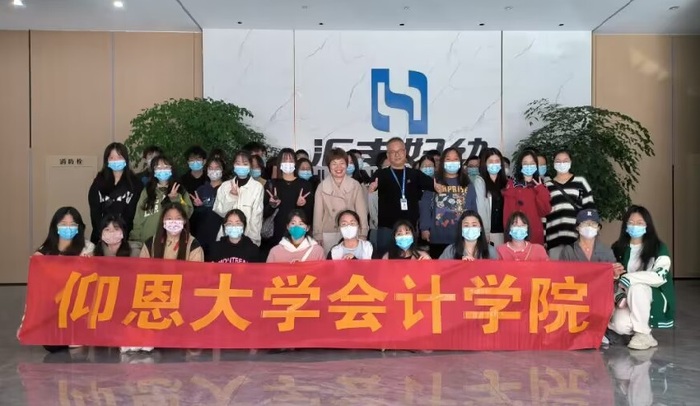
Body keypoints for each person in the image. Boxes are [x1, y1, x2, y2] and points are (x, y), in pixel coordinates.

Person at [28, 206, 94, 352]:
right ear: (55, 227)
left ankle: (77, 331)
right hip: (53, 306)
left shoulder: (88, 248)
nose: (68, 228)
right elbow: (36, 290)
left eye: (72, 224)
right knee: (52, 345)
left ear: (79, 227)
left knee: (75, 345)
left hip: (78, 306)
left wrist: (89, 264)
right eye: (63, 224)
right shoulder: (44, 252)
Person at [609, 205, 675, 351]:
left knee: (637, 287)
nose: (635, 226)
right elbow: (613, 276)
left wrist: (630, 278)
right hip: (625, 296)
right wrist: (615, 277)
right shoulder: (618, 247)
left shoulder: (658, 248)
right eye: (631, 223)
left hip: (651, 295)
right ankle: (645, 332)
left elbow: (659, 276)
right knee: (620, 326)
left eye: (640, 223)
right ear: (625, 225)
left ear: (647, 225)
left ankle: (642, 334)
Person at [368, 137, 444, 258]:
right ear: (388, 155)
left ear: (405, 152)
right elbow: (372, 185)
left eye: (399, 151)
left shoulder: (415, 174)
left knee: (410, 262)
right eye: (393, 152)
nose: (397, 154)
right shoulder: (381, 174)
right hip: (387, 229)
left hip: (409, 230)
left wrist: (437, 187)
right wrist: (372, 187)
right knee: (385, 262)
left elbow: (433, 185)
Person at [419, 147, 477, 258]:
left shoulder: (467, 183)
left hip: (462, 237)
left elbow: (473, 209)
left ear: (460, 162)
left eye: (455, 159)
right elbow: (425, 205)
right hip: (438, 237)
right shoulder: (434, 182)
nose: (452, 162)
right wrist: (425, 228)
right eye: (448, 159)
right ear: (442, 162)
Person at [313, 148, 369, 255]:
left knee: (352, 262)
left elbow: (361, 211)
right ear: (329, 166)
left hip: (352, 231)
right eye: (334, 164)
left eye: (342, 163)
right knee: (331, 262)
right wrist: (317, 235)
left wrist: (363, 233)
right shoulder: (322, 187)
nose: (338, 167)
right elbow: (318, 213)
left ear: (346, 165)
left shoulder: (355, 185)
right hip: (329, 232)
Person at [130, 155, 193, 244]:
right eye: (158, 167)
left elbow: (187, 213)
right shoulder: (147, 190)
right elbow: (138, 216)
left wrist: (175, 199)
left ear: (172, 169)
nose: (162, 170)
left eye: (166, 167)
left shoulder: (180, 190)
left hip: (172, 242)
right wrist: (135, 237)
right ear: (153, 171)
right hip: (147, 241)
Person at [88, 142, 142, 244]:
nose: (116, 160)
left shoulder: (135, 183)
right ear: (107, 161)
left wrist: (120, 233)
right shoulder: (98, 182)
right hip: (101, 237)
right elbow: (95, 213)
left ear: (125, 159)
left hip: (126, 237)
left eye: (119, 157)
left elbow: (133, 213)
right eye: (111, 158)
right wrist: (104, 233)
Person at [545, 149, 595, 259]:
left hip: (576, 238)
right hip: (554, 237)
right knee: (555, 269)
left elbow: (590, 209)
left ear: (571, 162)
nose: (562, 163)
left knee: (575, 269)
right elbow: (544, 214)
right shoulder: (547, 186)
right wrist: (544, 238)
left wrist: (588, 233)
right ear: (553, 163)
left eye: (565, 160)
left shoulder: (580, 182)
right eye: (558, 161)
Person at [212, 151, 264, 246]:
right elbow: (220, 211)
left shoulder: (257, 187)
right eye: (238, 163)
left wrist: (254, 241)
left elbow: (257, 216)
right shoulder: (225, 186)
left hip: (248, 238)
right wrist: (231, 196)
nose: (241, 166)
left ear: (250, 166)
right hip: (226, 236)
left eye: (245, 164)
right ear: (233, 165)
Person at [264, 149, 315, 245]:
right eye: (284, 160)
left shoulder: (305, 185)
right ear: (279, 163)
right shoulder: (271, 184)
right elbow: (264, 213)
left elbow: (310, 215)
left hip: (298, 234)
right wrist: (272, 205)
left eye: (291, 160)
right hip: (275, 235)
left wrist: (301, 206)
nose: (288, 163)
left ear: (295, 163)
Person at [501, 149, 551, 245]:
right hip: (516, 233)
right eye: (525, 163)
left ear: (536, 166)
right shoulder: (512, 184)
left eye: (532, 163)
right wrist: (508, 235)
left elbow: (545, 211)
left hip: (535, 232)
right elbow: (507, 215)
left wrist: (540, 189)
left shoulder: (540, 185)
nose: (529, 166)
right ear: (520, 165)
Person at [472, 148, 508, 246]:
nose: (494, 164)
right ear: (485, 164)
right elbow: (481, 208)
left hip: (505, 231)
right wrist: (485, 232)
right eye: (491, 161)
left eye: (497, 161)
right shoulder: (480, 181)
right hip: (490, 232)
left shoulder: (506, 182)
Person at [191, 156, 226, 255]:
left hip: (220, 235)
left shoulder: (227, 189)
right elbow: (194, 216)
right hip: (202, 236)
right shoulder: (201, 190)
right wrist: (199, 206)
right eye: (210, 168)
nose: (213, 171)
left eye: (217, 168)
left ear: (222, 170)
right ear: (206, 170)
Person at [368, 152, 388, 250]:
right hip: (378, 230)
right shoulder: (374, 186)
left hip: (401, 231)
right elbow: (372, 213)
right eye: (386, 167)